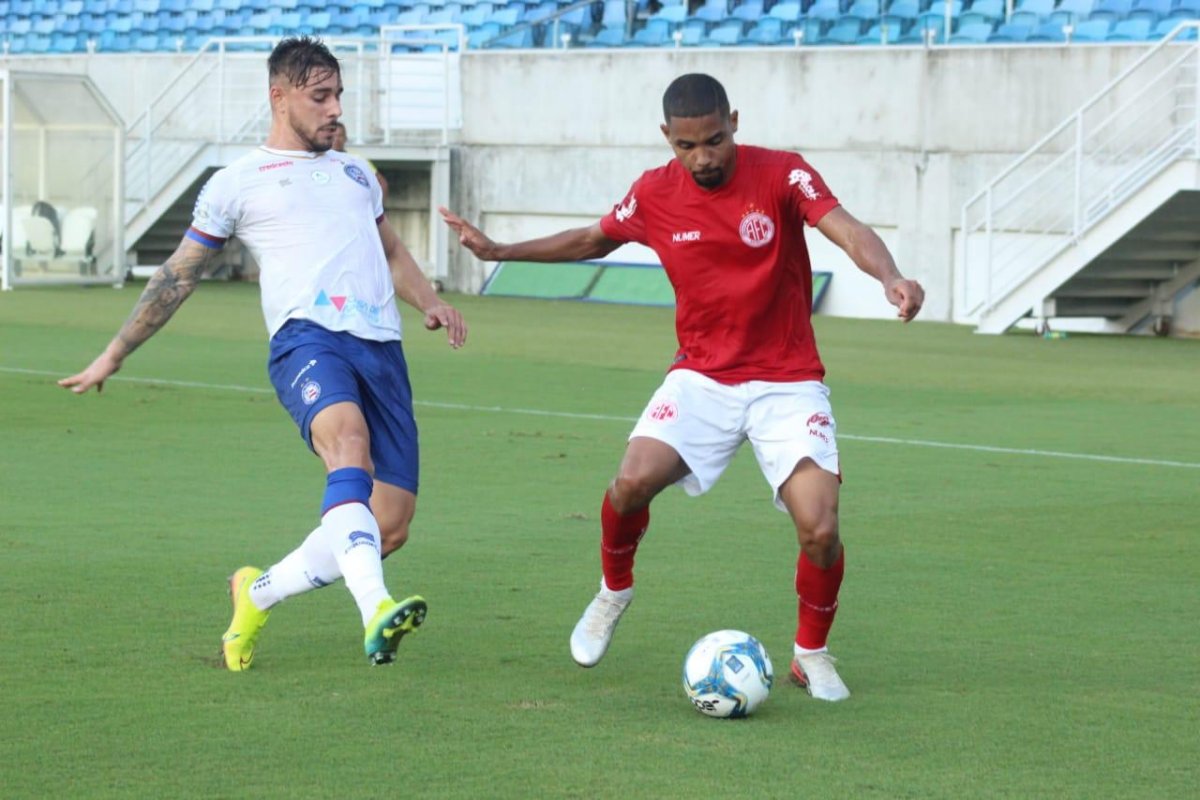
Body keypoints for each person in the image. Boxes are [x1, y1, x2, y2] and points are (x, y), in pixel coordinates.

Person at [440, 73, 923, 702]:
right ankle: (614, 591)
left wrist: (890, 276)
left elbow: (846, 227)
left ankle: (812, 653)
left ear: (735, 123)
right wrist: (501, 249)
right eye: (687, 146)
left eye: (715, 141)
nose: (704, 158)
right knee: (631, 482)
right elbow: (591, 239)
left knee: (821, 527)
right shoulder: (654, 193)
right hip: (701, 375)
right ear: (667, 137)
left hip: (787, 380)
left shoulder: (782, 174)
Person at [60, 37, 467, 672]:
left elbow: (388, 251)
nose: (335, 109)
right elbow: (178, 276)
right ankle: (376, 610)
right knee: (347, 444)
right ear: (279, 98)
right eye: (320, 96)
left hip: (382, 349)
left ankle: (256, 593)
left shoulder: (358, 174)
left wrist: (430, 301)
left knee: (389, 526)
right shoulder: (237, 183)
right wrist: (115, 352)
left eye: (338, 95)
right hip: (307, 341)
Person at [331, 121, 390, 198]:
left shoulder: (357, 159)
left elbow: (381, 182)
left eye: (340, 136)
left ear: (346, 138)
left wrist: (379, 207)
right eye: (333, 136)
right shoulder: (320, 158)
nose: (336, 139)